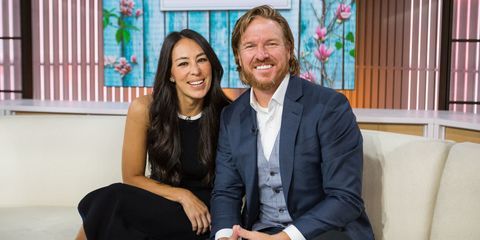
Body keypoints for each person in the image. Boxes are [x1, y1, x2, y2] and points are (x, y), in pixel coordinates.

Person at [210, 5, 374, 240]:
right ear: (238, 56)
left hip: (325, 233)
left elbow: (344, 197)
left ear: (289, 50)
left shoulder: (329, 106)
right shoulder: (231, 116)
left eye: (271, 44)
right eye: (250, 46)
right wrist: (225, 235)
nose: (261, 54)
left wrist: (285, 238)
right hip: (260, 231)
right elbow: (226, 191)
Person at [75, 29, 230, 240]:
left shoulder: (228, 113)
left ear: (211, 65)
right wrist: (183, 195)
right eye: (183, 63)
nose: (196, 70)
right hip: (162, 199)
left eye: (202, 60)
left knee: (109, 209)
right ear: (170, 74)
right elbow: (131, 177)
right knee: (112, 199)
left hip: (204, 214)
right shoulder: (144, 109)